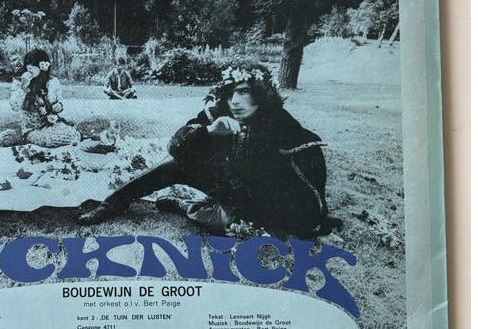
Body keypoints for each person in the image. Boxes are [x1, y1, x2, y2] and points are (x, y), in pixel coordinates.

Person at [78, 64, 337, 239]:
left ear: (261, 94)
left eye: (244, 92)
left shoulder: (283, 127)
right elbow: (175, 146)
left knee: (230, 225)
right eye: (230, 94)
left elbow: (306, 195)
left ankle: (184, 206)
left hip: (257, 201)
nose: (235, 102)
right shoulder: (219, 112)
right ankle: (111, 205)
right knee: (173, 165)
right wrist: (209, 131)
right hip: (223, 181)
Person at [9, 48, 80, 147]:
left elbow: (59, 102)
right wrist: (23, 87)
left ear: (43, 66)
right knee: (50, 139)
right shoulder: (19, 82)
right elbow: (14, 106)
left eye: (34, 64)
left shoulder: (52, 82)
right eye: (27, 63)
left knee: (72, 135)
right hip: (32, 129)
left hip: (51, 124)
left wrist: (58, 106)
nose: (29, 67)